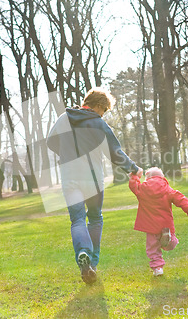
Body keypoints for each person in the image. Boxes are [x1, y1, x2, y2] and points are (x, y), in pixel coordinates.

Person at [47, 87, 143, 284]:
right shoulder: (98, 123)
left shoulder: (64, 118)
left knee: (77, 220)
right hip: (92, 179)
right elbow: (115, 152)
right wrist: (133, 169)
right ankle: (92, 263)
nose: (103, 114)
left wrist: (67, 154)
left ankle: (83, 253)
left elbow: (50, 142)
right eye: (104, 110)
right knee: (95, 219)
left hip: (69, 178)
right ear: (98, 106)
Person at [129, 167, 188, 277]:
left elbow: (133, 186)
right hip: (165, 224)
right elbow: (179, 197)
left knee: (152, 248)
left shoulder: (143, 188)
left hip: (150, 226)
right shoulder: (166, 188)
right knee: (170, 244)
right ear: (162, 177)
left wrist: (135, 176)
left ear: (148, 177)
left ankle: (158, 268)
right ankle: (169, 241)